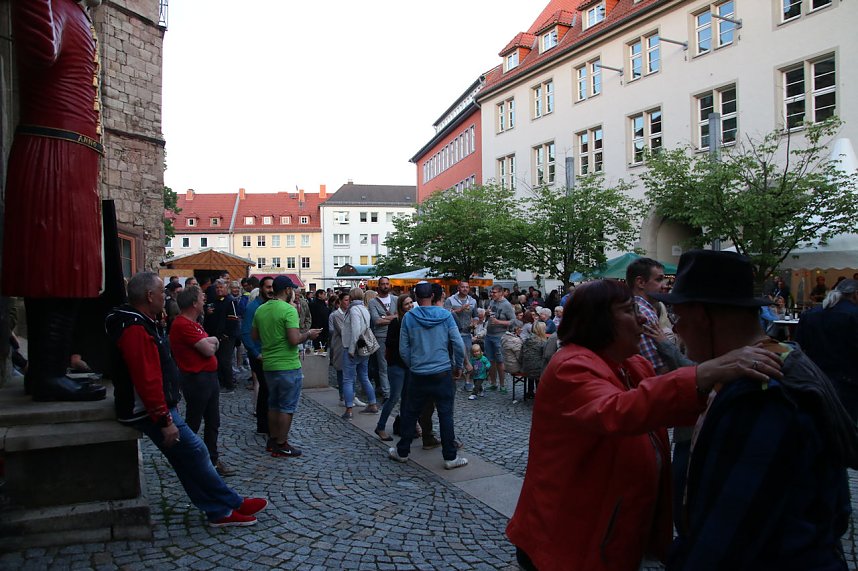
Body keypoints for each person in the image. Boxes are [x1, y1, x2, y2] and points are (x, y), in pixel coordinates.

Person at [506, 278, 782, 571]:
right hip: (571, 537)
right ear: (598, 321)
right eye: (628, 310)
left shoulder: (632, 364)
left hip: (611, 532)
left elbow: (665, 406)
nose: (640, 317)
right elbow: (618, 411)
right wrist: (705, 373)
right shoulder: (571, 365)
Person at [650, 250, 858, 571]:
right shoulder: (784, 359)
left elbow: (723, 538)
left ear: (704, 316)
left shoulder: (759, 392)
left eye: (678, 317)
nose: (675, 330)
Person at [3, 0, 108, 402]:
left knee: (73, 270)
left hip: (75, 155)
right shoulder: (57, 8)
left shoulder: (78, 12)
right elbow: (39, 49)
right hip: (53, 151)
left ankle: (52, 367)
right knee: (54, 266)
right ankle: (46, 374)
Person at [105, 272, 268, 527]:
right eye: (161, 292)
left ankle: (220, 509)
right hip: (148, 410)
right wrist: (163, 418)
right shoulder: (135, 327)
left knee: (188, 458)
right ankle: (231, 504)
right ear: (150, 296)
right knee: (195, 452)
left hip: (153, 407)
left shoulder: (139, 322)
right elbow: (146, 377)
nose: (166, 297)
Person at [389, 282, 467, 469]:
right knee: (445, 414)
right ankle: (450, 457)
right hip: (442, 371)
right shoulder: (446, 315)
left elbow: (403, 349)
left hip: (418, 373)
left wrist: (413, 364)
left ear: (416, 297)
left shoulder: (408, 317)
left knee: (410, 413)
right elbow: (457, 343)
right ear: (433, 296)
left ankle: (402, 451)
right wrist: (458, 365)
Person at [251, 275, 320, 458]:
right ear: (288, 290)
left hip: (269, 365)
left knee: (273, 404)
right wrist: (308, 334)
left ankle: (273, 440)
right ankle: (282, 443)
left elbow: (255, 336)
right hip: (287, 364)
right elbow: (294, 339)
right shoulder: (289, 310)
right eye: (293, 289)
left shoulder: (261, 309)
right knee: (287, 407)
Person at [169, 285, 232, 477]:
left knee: (213, 421)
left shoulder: (195, 323)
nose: (205, 300)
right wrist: (212, 341)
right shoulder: (183, 324)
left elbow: (209, 344)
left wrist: (210, 340)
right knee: (193, 422)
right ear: (194, 303)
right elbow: (208, 349)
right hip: (196, 379)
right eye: (201, 298)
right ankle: (187, 459)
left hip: (208, 378)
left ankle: (211, 460)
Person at [795, 278, 858, 423]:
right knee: (846, 427)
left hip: (815, 378)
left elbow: (798, 346)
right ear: (855, 294)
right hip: (848, 380)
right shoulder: (854, 315)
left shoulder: (811, 314)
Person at [375, 295, 413, 441]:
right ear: (401, 307)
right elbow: (390, 343)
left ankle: (404, 426)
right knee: (394, 397)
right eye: (406, 304)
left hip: (408, 364)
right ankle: (380, 426)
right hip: (397, 364)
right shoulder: (396, 322)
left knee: (406, 397)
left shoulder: (411, 320)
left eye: (411, 303)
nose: (410, 306)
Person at [341, 287, 380, 420]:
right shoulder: (364, 308)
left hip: (354, 348)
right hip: (365, 347)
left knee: (348, 379)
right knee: (364, 376)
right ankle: (373, 403)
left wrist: (352, 349)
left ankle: (349, 409)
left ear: (351, 297)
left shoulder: (353, 310)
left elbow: (356, 331)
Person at [241, 276, 273, 437]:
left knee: (267, 390)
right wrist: (256, 353)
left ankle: (264, 424)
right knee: (266, 388)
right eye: (267, 287)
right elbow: (245, 333)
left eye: (272, 287)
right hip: (259, 354)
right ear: (261, 288)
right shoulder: (253, 307)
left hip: (267, 353)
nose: (270, 290)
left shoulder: (269, 305)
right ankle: (263, 424)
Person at [626, 257, 668, 373]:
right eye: (659, 280)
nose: (665, 286)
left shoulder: (634, 308)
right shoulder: (645, 313)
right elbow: (656, 367)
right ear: (641, 282)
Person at [203, 279, 240, 393]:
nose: (219, 290)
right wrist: (207, 312)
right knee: (217, 360)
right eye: (217, 288)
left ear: (226, 288)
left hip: (227, 337)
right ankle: (221, 382)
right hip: (215, 336)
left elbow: (233, 320)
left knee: (225, 361)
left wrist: (226, 334)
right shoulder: (214, 300)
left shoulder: (230, 301)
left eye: (221, 288)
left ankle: (229, 385)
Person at [485, 284, 516, 393]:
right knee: (490, 360)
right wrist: (486, 314)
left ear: (501, 293)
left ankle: (502, 385)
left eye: (494, 292)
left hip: (500, 335)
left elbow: (513, 321)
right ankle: (493, 383)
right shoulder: (492, 302)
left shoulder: (506, 305)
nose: (492, 294)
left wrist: (499, 322)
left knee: (500, 361)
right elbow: (489, 315)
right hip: (489, 334)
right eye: (491, 292)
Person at [520, 321, 548, 399]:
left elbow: (521, 354)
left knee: (533, 365)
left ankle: (530, 391)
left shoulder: (526, 340)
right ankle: (540, 393)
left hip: (526, 367)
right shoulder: (543, 342)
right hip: (538, 369)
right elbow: (546, 356)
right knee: (540, 366)